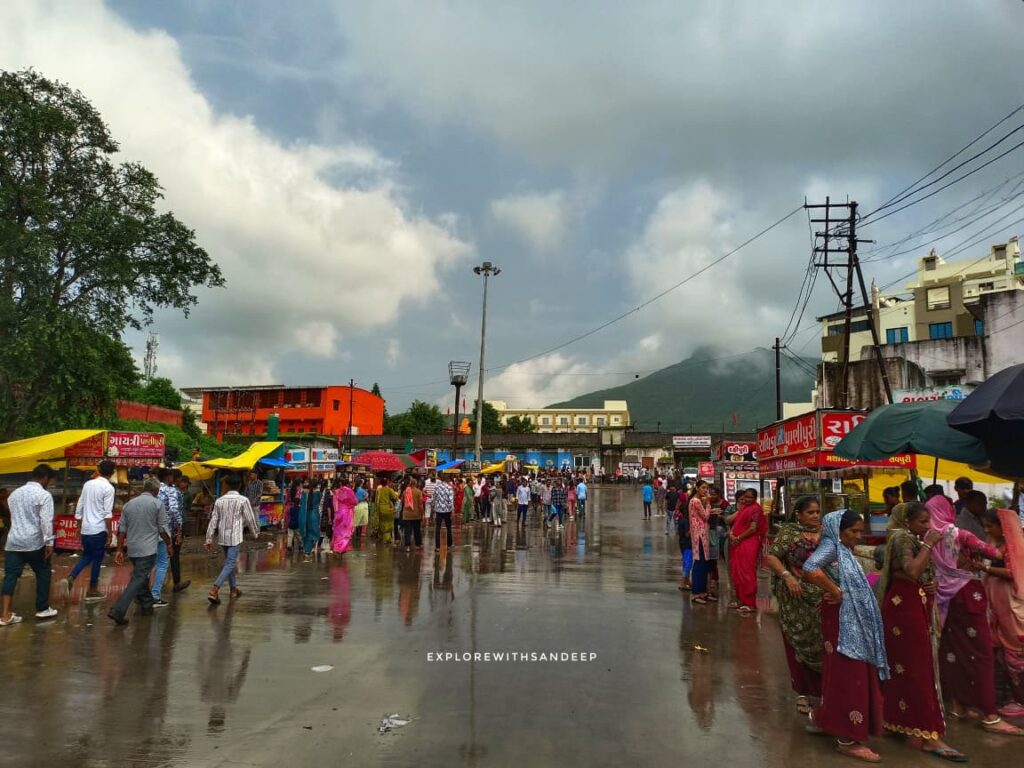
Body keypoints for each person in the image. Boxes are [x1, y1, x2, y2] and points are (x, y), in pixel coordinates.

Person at [875, 501, 967, 760]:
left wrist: (932, 582)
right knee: (919, 670)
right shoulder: (904, 538)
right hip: (903, 611)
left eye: (929, 522)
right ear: (907, 522)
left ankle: (899, 722)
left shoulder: (910, 538)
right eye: (922, 522)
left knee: (909, 668)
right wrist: (929, 544)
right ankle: (928, 736)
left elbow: (919, 573)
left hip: (911, 605)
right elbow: (913, 569)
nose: (928, 527)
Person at [930, 487, 1021, 734]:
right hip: (968, 594)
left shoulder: (928, 535)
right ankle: (990, 715)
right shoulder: (959, 534)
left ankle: (958, 706)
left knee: (953, 651)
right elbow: (995, 553)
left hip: (943, 598)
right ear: (948, 510)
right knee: (981, 655)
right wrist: (1010, 531)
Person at [803, 510, 889, 763]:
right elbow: (809, 568)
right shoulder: (831, 546)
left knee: (847, 671)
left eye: (860, 531)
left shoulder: (841, 548)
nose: (858, 536)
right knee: (849, 671)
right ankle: (847, 737)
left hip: (846, 618)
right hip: (842, 620)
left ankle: (825, 718)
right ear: (838, 530)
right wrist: (835, 591)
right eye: (854, 531)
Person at [764, 496, 824, 716]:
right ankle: (804, 693)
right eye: (811, 513)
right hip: (796, 599)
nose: (816, 516)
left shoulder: (825, 533)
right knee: (799, 644)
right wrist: (788, 576)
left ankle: (824, 692)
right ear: (798, 514)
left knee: (823, 644)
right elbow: (772, 557)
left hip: (822, 596)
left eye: (818, 512)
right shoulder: (789, 533)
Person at [108, 477, 171, 625]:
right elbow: (162, 529)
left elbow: (121, 529)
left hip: (133, 548)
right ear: (155, 490)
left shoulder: (129, 504)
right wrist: (169, 544)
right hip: (148, 549)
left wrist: (119, 550)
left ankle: (147, 604)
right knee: (138, 578)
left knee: (140, 576)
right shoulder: (157, 504)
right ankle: (118, 610)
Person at [980, 507, 1024, 718]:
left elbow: (1013, 572)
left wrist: (986, 568)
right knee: (1003, 654)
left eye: (990, 526)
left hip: (1012, 605)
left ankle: (1020, 698)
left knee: (1016, 653)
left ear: (1002, 526)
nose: (987, 530)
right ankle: (1013, 697)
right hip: (998, 603)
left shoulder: (1016, 546)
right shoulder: (996, 543)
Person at [1, 465, 58, 627]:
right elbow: (46, 521)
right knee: (43, 572)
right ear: (45, 478)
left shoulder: (14, 494)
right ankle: (42, 608)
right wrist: (49, 542)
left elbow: (13, 517)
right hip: (35, 543)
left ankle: (5, 615)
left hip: (14, 542)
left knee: (10, 576)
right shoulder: (44, 495)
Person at [205, 474, 260, 606]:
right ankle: (214, 589)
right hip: (235, 536)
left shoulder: (219, 500)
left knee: (229, 563)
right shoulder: (243, 500)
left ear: (227, 485)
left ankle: (233, 589)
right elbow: (250, 519)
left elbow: (213, 520)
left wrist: (209, 538)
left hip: (223, 537)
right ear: (240, 486)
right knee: (230, 563)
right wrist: (255, 533)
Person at [66, 459, 116, 601]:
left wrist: (78, 526)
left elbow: (79, 506)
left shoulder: (88, 484)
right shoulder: (109, 488)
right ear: (112, 473)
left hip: (86, 530)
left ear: (99, 470)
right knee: (96, 561)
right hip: (99, 530)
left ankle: (71, 577)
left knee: (86, 557)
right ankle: (92, 590)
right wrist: (110, 533)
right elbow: (107, 513)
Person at [151, 466, 185, 606]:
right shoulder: (171, 490)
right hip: (165, 529)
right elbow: (174, 509)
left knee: (149, 563)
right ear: (168, 477)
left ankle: (142, 593)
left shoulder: (153, 488)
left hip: (150, 528)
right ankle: (155, 595)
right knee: (163, 564)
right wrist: (179, 525)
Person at [729, 488, 764, 614]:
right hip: (738, 543)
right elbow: (733, 523)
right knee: (737, 571)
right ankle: (741, 600)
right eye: (746, 497)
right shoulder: (744, 508)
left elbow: (753, 528)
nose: (748, 499)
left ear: (755, 498)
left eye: (751, 497)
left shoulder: (755, 509)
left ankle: (750, 603)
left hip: (748, 544)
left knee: (747, 573)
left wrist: (738, 537)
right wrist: (732, 535)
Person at [689, 481, 715, 605]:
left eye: (707, 488)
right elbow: (705, 516)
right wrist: (709, 504)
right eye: (703, 488)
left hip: (701, 533)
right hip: (699, 533)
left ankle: (702, 591)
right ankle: (696, 592)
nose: (705, 490)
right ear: (697, 488)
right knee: (700, 563)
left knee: (703, 563)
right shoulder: (696, 501)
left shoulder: (696, 501)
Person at [332, 479, 357, 555]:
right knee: (346, 531)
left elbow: (334, 504)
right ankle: (342, 548)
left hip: (338, 513)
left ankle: (336, 548)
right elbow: (354, 502)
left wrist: (336, 513)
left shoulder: (336, 492)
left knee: (338, 531)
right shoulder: (349, 491)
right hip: (347, 513)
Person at [374, 478, 398, 545]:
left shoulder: (378, 490)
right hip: (387, 509)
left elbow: (376, 500)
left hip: (380, 509)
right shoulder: (389, 490)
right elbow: (395, 497)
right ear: (387, 483)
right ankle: (387, 539)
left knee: (381, 522)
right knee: (388, 523)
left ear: (381, 483)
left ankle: (380, 537)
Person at [402, 478, 424, 552]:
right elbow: (420, 504)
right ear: (416, 484)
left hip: (406, 514)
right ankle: (418, 545)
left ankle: (407, 546)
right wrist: (422, 514)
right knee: (417, 530)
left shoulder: (405, 491)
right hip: (416, 514)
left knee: (407, 531)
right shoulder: (418, 492)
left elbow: (402, 502)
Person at [433, 476, 455, 547]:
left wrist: (434, 507)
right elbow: (451, 500)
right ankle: (449, 544)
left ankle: (437, 546)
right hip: (447, 511)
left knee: (438, 528)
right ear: (447, 480)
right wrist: (452, 510)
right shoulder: (449, 488)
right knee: (448, 527)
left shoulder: (437, 487)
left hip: (438, 510)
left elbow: (434, 498)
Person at [286, 478, 303, 551]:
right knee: (298, 533)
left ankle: (289, 545)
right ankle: (301, 544)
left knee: (290, 532)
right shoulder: (299, 491)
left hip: (289, 510)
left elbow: (286, 501)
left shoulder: (289, 491)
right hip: (297, 517)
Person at [352, 479, 369, 545]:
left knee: (355, 522)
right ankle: (363, 534)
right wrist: (365, 497)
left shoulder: (354, 490)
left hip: (355, 507)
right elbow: (367, 498)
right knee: (365, 521)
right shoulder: (362, 490)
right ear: (361, 484)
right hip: (363, 506)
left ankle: (351, 535)